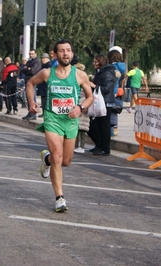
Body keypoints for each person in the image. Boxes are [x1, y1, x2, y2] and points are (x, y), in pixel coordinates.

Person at [26, 39, 93, 212]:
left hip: (70, 121)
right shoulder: (48, 73)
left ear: (72, 53)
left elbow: (90, 96)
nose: (66, 53)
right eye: (62, 51)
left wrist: (80, 107)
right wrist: (32, 102)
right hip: (52, 119)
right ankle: (59, 198)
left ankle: (46, 159)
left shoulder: (80, 75)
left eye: (68, 50)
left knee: (66, 161)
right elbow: (30, 83)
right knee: (58, 156)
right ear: (55, 54)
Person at [87, 54, 117, 156]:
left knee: (103, 126)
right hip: (99, 102)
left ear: (101, 62)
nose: (94, 64)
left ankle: (104, 148)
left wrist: (94, 86)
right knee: (95, 125)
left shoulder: (107, 73)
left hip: (105, 103)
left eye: (96, 62)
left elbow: (107, 88)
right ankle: (99, 145)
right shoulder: (100, 72)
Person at [108, 47, 126, 136]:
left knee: (109, 110)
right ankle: (114, 130)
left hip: (111, 91)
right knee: (115, 109)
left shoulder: (112, 67)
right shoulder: (122, 66)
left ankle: (110, 131)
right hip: (118, 92)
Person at [21, 49, 41, 120]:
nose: (31, 55)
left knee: (32, 97)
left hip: (32, 81)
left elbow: (33, 71)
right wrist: (27, 69)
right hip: (27, 80)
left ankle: (33, 114)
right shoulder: (29, 61)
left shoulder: (36, 61)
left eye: (32, 54)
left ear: (35, 54)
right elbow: (22, 69)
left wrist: (28, 69)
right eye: (30, 54)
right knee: (28, 97)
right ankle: (30, 112)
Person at [36, 53, 52, 118]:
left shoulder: (49, 65)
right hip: (42, 86)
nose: (42, 60)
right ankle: (43, 112)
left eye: (43, 58)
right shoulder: (44, 65)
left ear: (47, 58)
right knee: (43, 100)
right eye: (42, 58)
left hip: (45, 86)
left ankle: (45, 113)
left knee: (45, 101)